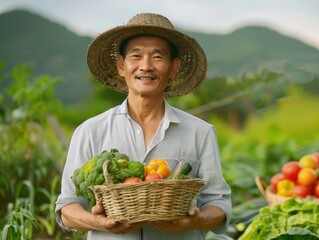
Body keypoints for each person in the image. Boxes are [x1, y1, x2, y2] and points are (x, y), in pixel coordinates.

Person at [55, 13, 232, 240]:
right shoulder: (90, 131)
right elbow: (68, 206)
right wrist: (99, 222)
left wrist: (194, 220)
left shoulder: (200, 132)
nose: (146, 66)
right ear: (121, 65)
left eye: (157, 57)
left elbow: (219, 203)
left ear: (174, 67)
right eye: (136, 56)